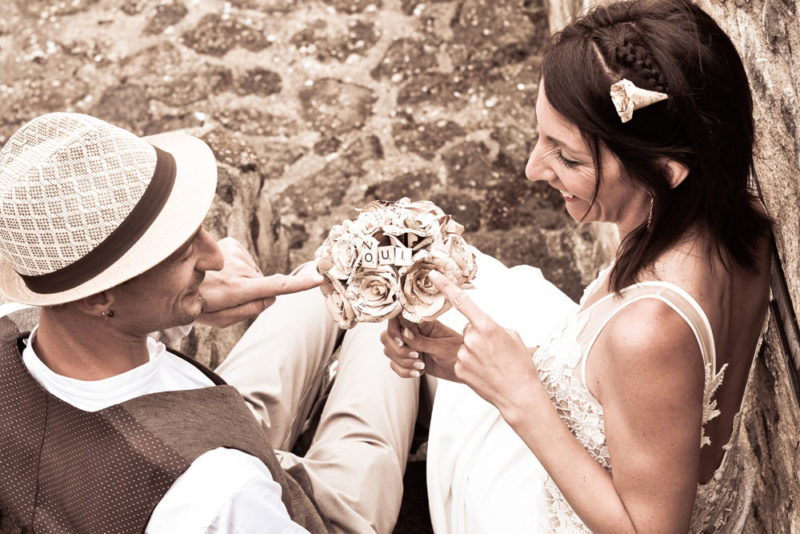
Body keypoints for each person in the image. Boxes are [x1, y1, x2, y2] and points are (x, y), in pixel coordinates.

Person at [381, 0, 772, 532]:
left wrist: (517, 395)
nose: (533, 169)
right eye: (541, 135)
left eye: (566, 156)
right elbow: (645, 399)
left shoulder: (650, 329)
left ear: (663, 169)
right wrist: (463, 361)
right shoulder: (737, 221)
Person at [0, 112, 418, 534]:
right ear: (98, 297)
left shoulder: (10, 332)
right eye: (184, 251)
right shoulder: (219, 491)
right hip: (268, 507)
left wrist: (181, 305)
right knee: (381, 342)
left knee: (322, 283)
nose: (216, 256)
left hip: (189, 452)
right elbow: (228, 497)